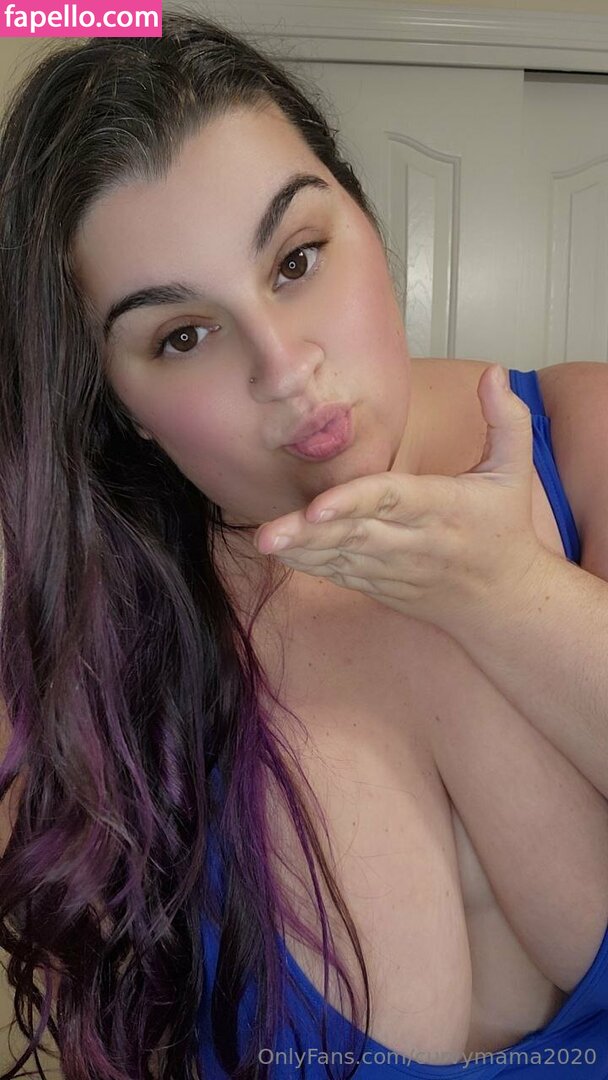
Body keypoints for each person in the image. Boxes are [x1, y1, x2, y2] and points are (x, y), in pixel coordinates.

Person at [0, 8, 607, 1079]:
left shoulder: (585, 432)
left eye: (297, 259)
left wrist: (503, 591)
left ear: (365, 219)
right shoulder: (97, 621)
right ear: (120, 405)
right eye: (182, 335)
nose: (284, 369)